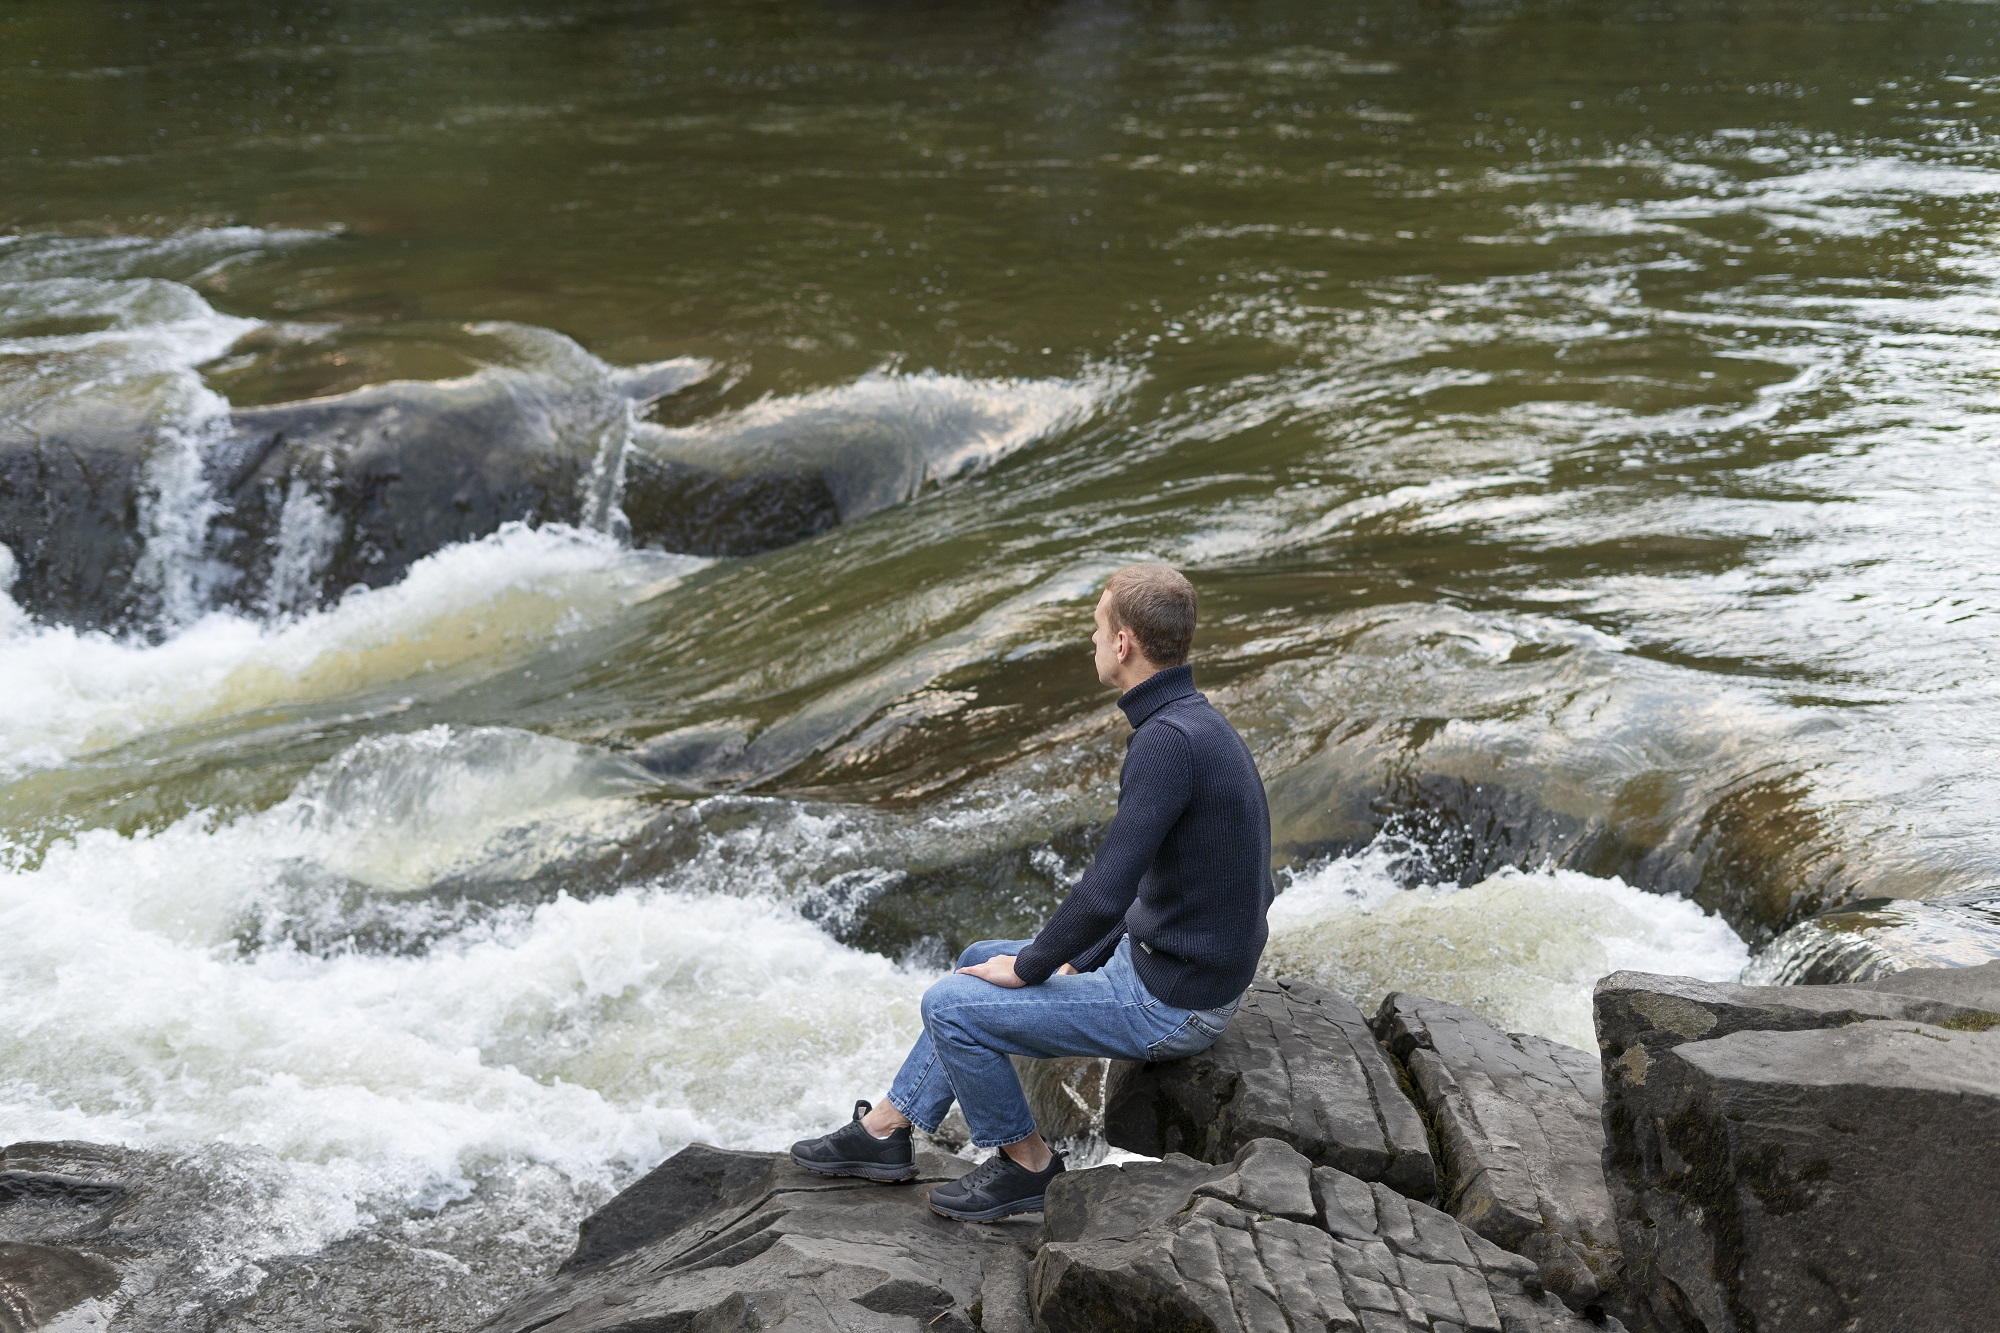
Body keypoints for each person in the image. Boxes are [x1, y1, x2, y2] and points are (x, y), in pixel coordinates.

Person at [789, 562, 1274, 1222]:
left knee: (953, 1004)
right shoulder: (1196, 724)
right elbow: (1156, 881)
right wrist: (1074, 956)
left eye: (1097, 627)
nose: (1092, 640)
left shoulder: (1166, 743)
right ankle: (887, 1129)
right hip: (1179, 973)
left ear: (1125, 642)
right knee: (976, 957)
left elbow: (1106, 888)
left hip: (1170, 1003)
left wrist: (1034, 964)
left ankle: (1028, 1165)